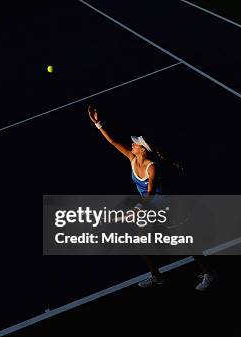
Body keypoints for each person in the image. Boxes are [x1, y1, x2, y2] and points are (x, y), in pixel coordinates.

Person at [87, 105, 217, 291]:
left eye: (136, 144)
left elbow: (150, 192)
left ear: (143, 150)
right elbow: (113, 142)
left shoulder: (152, 167)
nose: (132, 144)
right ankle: (157, 276)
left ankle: (209, 272)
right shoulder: (132, 158)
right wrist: (98, 124)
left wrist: (137, 210)